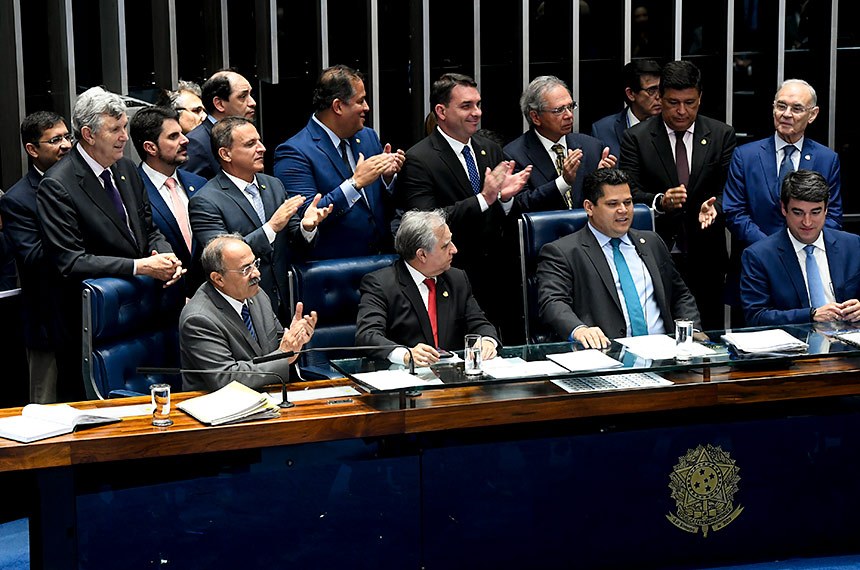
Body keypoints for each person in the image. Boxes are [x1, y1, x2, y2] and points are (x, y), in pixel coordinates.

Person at [37, 87, 183, 401]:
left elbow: (148, 229)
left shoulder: (127, 170)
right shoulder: (57, 185)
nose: (123, 137)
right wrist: (140, 267)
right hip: (91, 324)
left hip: (141, 315)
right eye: (114, 129)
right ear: (88, 134)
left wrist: (166, 255)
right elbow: (70, 261)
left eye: (124, 128)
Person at [396, 73, 531, 335]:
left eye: (478, 104)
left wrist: (505, 199)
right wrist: (484, 199)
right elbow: (424, 221)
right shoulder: (419, 159)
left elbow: (501, 214)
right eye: (466, 106)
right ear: (441, 111)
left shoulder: (490, 149)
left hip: (498, 274)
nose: (476, 113)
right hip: (452, 275)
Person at [619, 60, 736, 331]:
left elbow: (729, 189)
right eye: (673, 103)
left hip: (706, 255)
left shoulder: (721, 134)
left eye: (690, 102)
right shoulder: (636, 138)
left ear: (700, 98)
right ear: (660, 97)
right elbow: (629, 192)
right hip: (656, 253)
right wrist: (660, 202)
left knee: (710, 335)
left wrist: (715, 206)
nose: (682, 111)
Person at [537, 168, 700, 348]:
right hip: (607, 356)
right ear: (589, 207)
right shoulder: (563, 252)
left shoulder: (652, 242)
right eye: (613, 204)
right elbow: (553, 302)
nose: (623, 211)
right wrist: (580, 329)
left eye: (628, 202)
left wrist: (693, 334)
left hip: (665, 354)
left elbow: (680, 295)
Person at [189, 117, 332, 320]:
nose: (262, 148)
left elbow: (295, 243)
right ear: (225, 154)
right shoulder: (205, 201)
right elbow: (221, 259)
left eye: (259, 141)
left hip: (283, 302)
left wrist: (307, 228)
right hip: (240, 310)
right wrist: (271, 227)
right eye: (250, 144)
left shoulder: (274, 185)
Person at [724, 79, 842, 325]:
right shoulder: (745, 155)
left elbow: (832, 215)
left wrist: (805, 247)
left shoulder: (826, 158)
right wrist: (774, 249)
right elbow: (735, 212)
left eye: (797, 108)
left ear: (813, 114)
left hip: (809, 268)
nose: (786, 114)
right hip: (757, 271)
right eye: (781, 106)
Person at [273, 64, 405, 259]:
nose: (366, 107)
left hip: (382, 261)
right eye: (360, 101)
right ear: (338, 106)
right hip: (335, 271)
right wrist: (355, 183)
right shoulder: (294, 152)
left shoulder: (367, 137)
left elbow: (383, 204)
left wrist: (387, 178)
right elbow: (307, 216)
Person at [356, 209, 499, 366]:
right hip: (405, 380)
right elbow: (367, 335)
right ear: (422, 255)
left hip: (453, 377)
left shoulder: (456, 279)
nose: (454, 249)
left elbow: (479, 323)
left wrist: (487, 341)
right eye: (445, 246)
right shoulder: (381, 284)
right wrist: (406, 354)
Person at [179, 234, 317, 391]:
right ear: (218, 279)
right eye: (245, 269)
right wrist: (283, 356)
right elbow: (225, 378)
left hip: (267, 397)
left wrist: (295, 338)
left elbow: (279, 346)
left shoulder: (256, 295)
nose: (257, 274)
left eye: (255, 264)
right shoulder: (199, 319)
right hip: (220, 407)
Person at [0, 111, 73, 402]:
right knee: (48, 407)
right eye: (55, 140)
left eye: (68, 136)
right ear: (32, 149)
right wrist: (74, 242)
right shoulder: (18, 199)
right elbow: (33, 258)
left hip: (96, 315)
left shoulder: (84, 184)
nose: (66, 145)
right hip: (49, 320)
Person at [740, 169, 860, 327]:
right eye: (798, 213)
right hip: (795, 346)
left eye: (815, 212)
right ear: (784, 209)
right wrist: (811, 315)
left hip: (848, 344)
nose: (807, 222)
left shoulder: (853, 245)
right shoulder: (759, 256)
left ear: (826, 209)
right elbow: (756, 316)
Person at [504, 75, 615, 212]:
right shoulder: (514, 155)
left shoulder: (592, 147)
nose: (569, 115)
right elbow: (521, 204)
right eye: (559, 110)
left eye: (570, 106)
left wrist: (603, 180)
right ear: (535, 117)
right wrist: (563, 182)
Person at [130, 106, 207, 294]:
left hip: (207, 299)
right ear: (150, 147)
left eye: (182, 133)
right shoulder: (133, 192)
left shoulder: (199, 184)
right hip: (163, 300)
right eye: (173, 136)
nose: (185, 140)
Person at [182, 70, 257, 180]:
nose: (252, 102)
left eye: (251, 94)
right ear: (219, 104)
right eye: (242, 96)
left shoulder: (247, 132)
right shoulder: (197, 143)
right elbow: (191, 188)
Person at [590, 59, 662, 160]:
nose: (659, 96)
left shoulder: (670, 125)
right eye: (651, 90)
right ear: (631, 94)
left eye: (661, 89)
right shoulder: (602, 130)